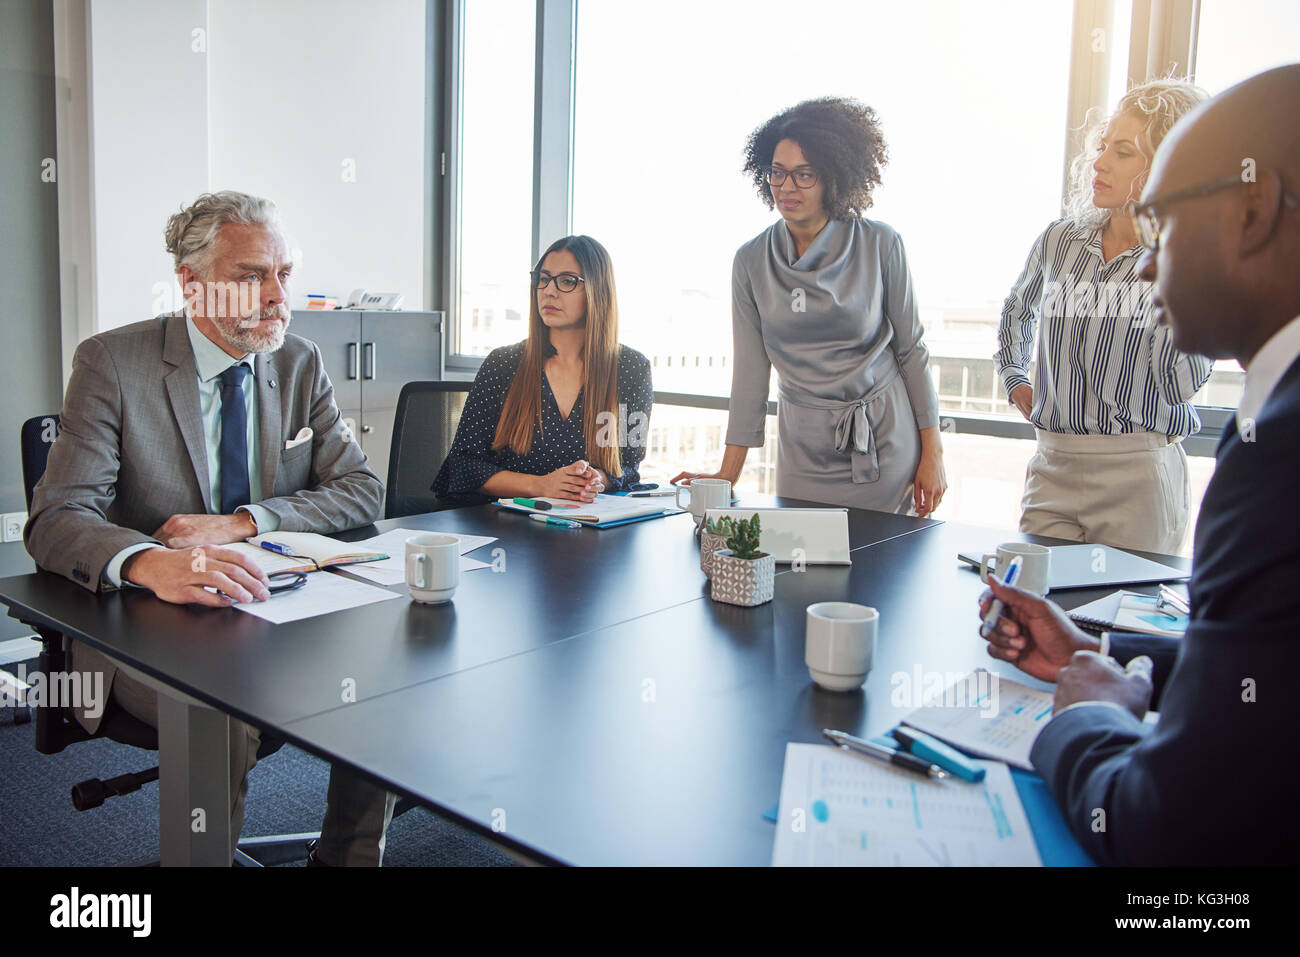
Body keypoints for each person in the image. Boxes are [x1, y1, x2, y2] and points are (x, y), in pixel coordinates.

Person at [979, 64, 1300, 865]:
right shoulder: (1276, 420)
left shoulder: (1277, 456)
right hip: (1057, 456)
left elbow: (1168, 823)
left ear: (1253, 211)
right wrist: (1111, 651)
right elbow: (1262, 658)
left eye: (1167, 217)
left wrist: (1087, 710)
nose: (1151, 265)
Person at [25, 191, 396, 866]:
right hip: (145, 630)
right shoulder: (112, 363)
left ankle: (344, 856)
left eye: (284, 273)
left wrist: (248, 520)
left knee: (390, 661)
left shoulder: (298, 362)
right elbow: (57, 517)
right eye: (251, 275)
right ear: (192, 285)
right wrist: (145, 560)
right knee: (217, 698)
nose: (277, 295)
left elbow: (361, 488)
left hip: (276, 610)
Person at [672, 97, 947, 516]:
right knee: (803, 571)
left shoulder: (880, 244)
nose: (786, 186)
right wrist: (728, 474)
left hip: (884, 443)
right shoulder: (750, 261)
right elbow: (750, 371)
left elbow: (912, 352)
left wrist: (934, 454)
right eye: (777, 173)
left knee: (880, 573)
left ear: (833, 179)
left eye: (804, 174)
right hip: (802, 451)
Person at [996, 80, 1213, 554]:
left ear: (1168, 165)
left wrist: (1173, 265)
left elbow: (1180, 384)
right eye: (1102, 148)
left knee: (1119, 619)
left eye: (1123, 152)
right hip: (1052, 462)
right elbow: (1017, 311)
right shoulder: (1060, 239)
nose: (1098, 163)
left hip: (1138, 474)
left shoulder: (1185, 259)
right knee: (1034, 612)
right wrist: (1014, 378)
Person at [433, 235, 653, 504]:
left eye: (567, 281)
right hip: (502, 526)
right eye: (543, 278)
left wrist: (595, 479)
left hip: (585, 526)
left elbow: (628, 467)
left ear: (598, 290)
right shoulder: (503, 364)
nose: (549, 290)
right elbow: (463, 465)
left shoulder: (630, 369)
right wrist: (542, 485)